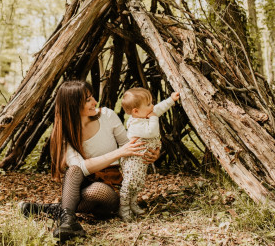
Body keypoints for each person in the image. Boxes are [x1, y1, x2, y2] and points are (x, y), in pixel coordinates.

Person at [18, 80, 159, 240]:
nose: (94, 102)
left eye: (92, 97)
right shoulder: (65, 133)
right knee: (74, 169)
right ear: (73, 105)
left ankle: (52, 210)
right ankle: (68, 222)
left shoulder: (107, 115)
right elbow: (80, 168)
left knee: (98, 191)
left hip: (110, 187)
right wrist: (118, 153)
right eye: (87, 100)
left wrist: (153, 153)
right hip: (82, 185)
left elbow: (129, 145)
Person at [118, 88, 179, 221]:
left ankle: (133, 203)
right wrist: (154, 118)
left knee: (139, 183)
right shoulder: (135, 124)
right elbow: (151, 131)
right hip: (133, 161)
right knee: (130, 183)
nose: (152, 107)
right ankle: (123, 208)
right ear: (135, 111)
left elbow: (158, 108)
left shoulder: (145, 114)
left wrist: (171, 99)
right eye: (148, 104)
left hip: (141, 161)